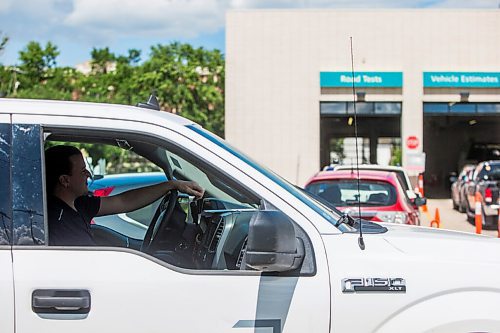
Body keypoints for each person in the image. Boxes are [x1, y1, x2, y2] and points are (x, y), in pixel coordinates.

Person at [45, 145, 204, 246]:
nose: (88, 174)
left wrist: (171, 185)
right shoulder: (57, 222)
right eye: (82, 171)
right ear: (65, 180)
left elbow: (123, 201)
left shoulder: (79, 203)